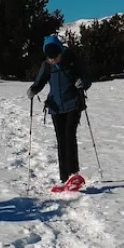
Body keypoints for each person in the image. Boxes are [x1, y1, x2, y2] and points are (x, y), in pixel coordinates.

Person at [27, 35, 92, 190]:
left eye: (55, 57)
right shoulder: (47, 65)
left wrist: (82, 83)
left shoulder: (72, 60)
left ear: (60, 51)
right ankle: (64, 178)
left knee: (69, 135)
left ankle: (74, 175)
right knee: (61, 140)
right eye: (50, 58)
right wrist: (33, 89)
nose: (53, 60)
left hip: (73, 104)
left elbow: (87, 78)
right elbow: (40, 81)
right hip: (56, 107)